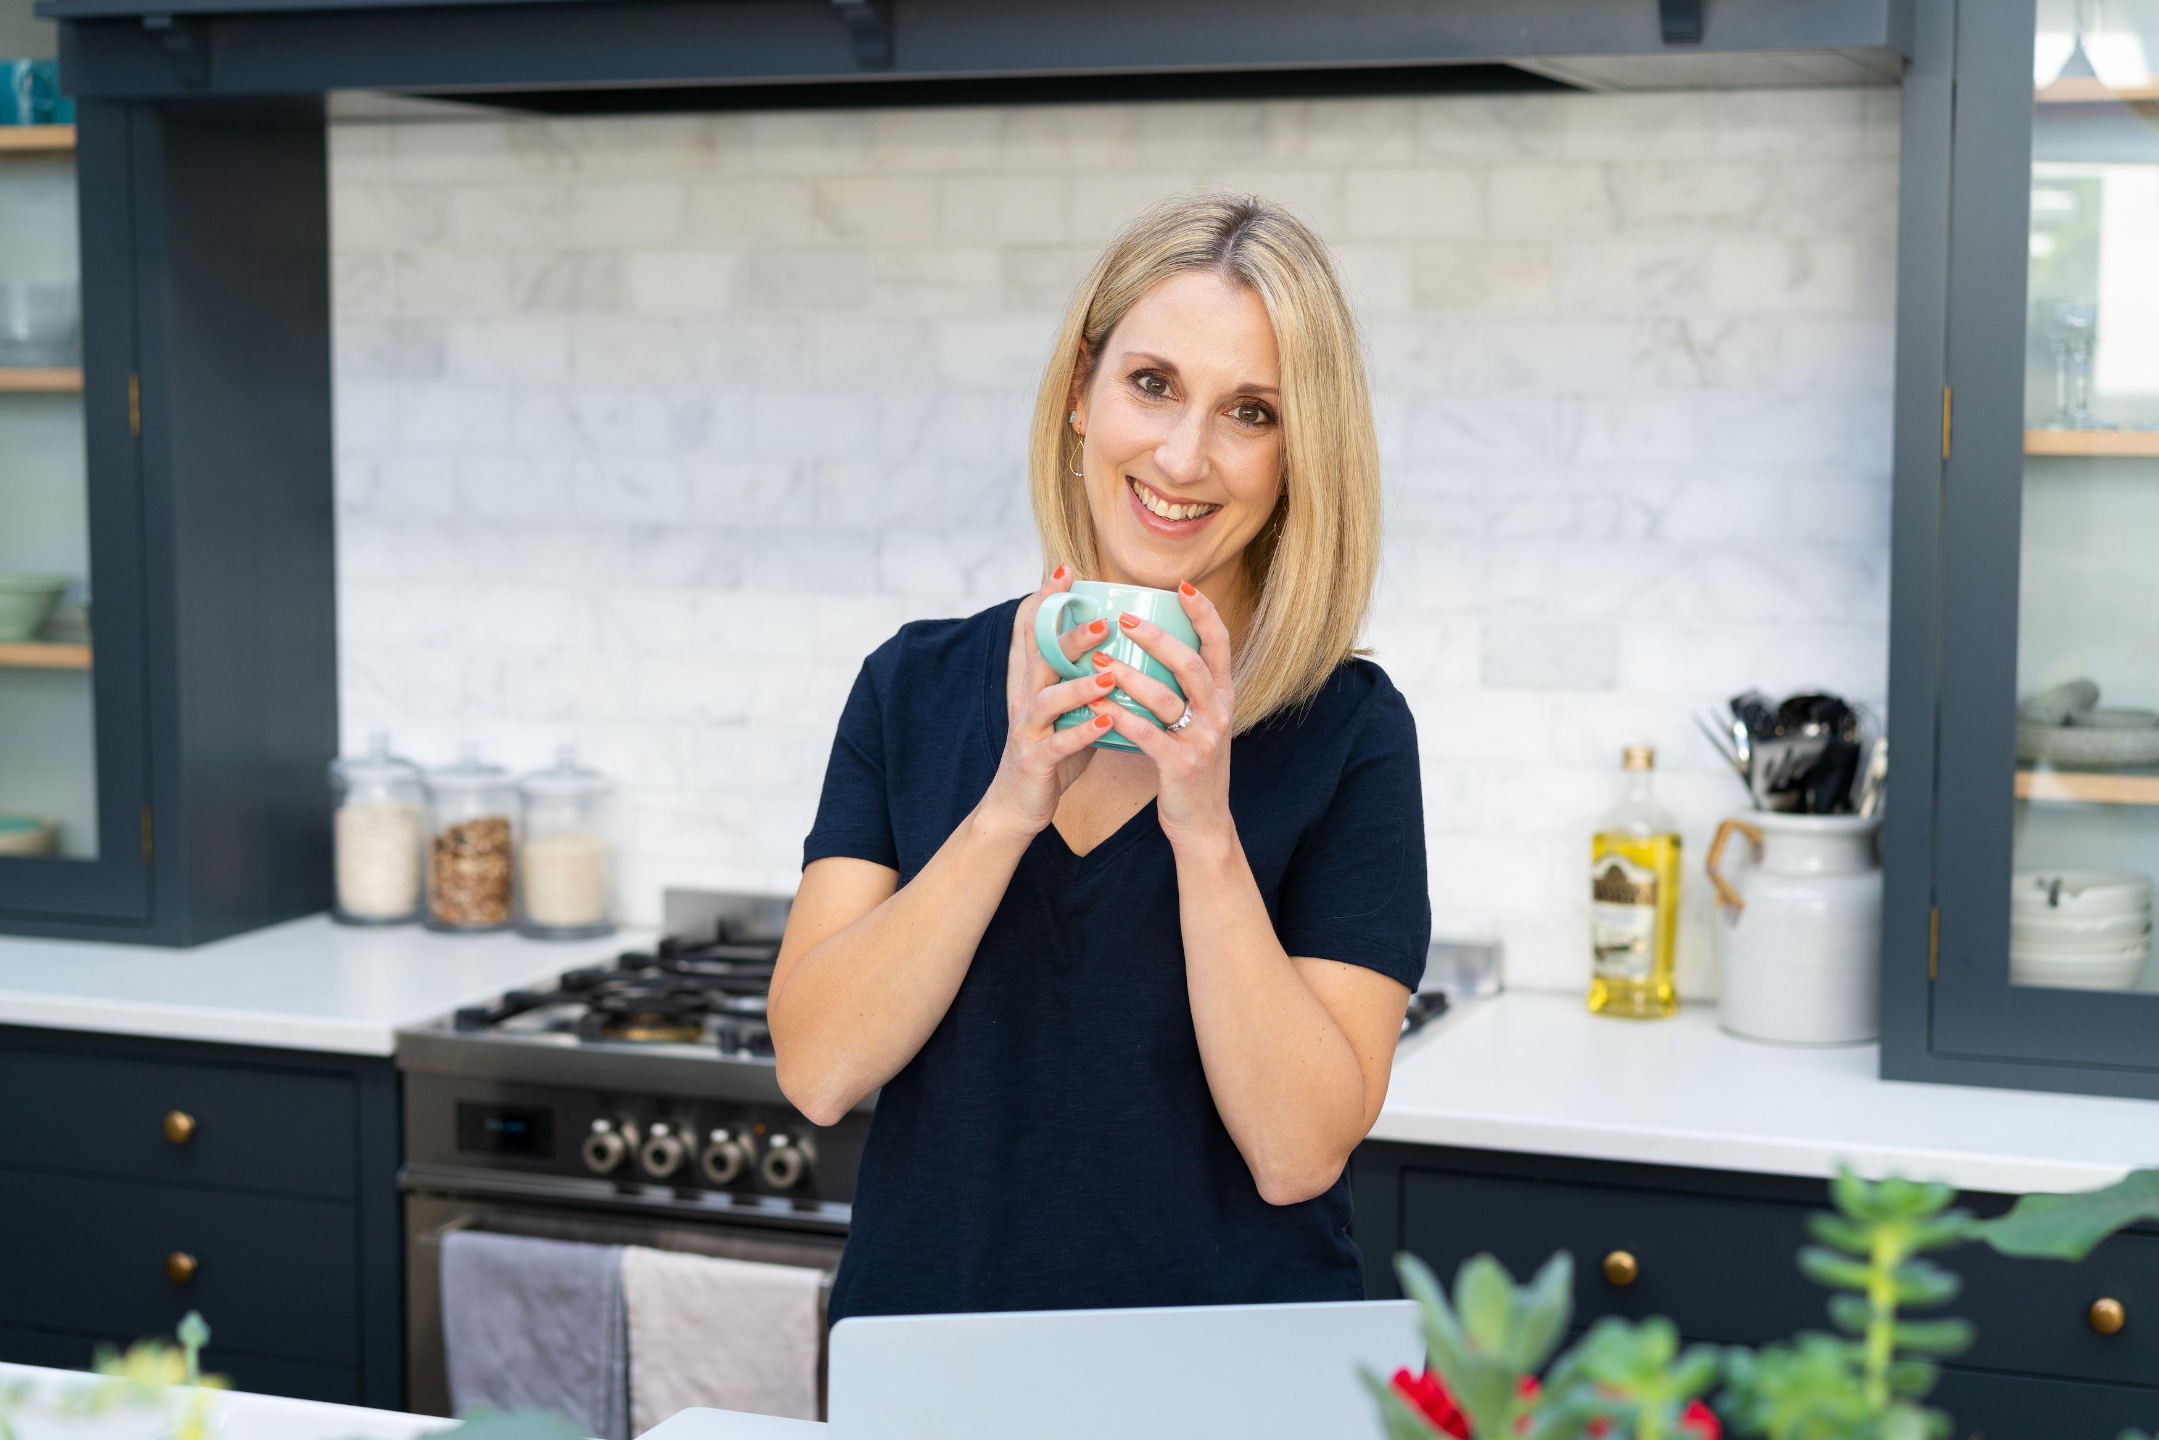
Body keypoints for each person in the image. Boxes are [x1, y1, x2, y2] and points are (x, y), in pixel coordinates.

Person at [770, 193, 1430, 1323]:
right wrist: (1006, 808)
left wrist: (1204, 829)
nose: (1183, 455)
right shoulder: (912, 687)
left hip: (1227, 1378)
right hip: (932, 1361)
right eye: (1152, 384)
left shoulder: (1350, 734)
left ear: (1297, 456)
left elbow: (1295, 1154)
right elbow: (819, 1072)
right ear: (1081, 393)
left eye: (1251, 413)